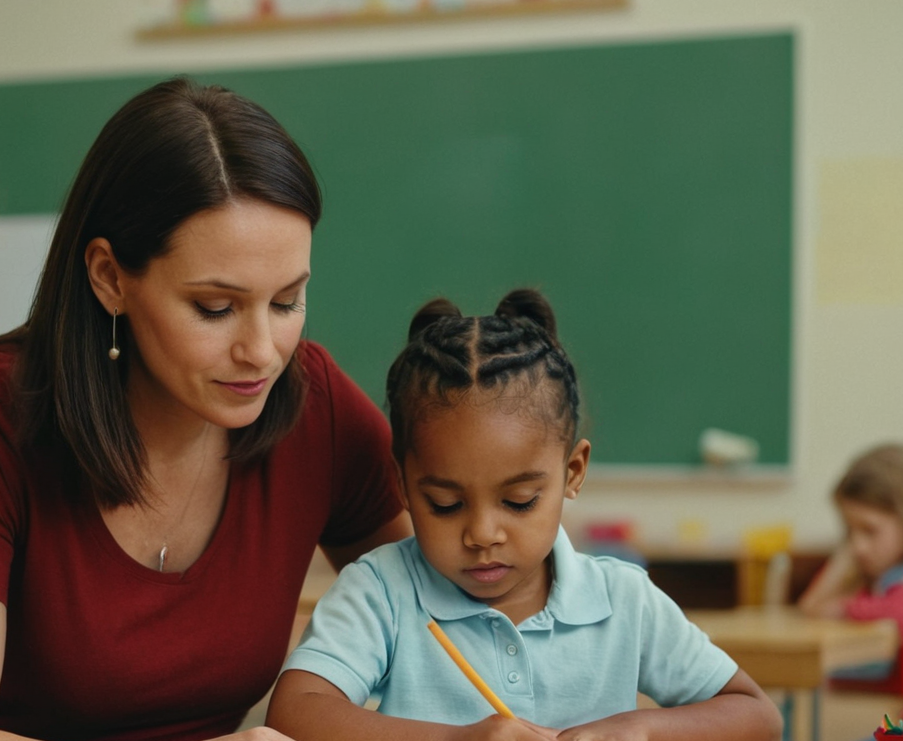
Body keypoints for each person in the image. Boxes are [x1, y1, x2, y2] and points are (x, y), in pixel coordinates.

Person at [0, 77, 411, 741]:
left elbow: (449, 612)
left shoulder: (314, 402)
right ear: (109, 277)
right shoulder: (9, 417)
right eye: (215, 308)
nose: (261, 353)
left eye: (286, 302)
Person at [266, 289, 783, 741]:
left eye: (519, 502)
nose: (483, 534)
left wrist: (641, 728)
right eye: (445, 504)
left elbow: (757, 716)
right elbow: (294, 716)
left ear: (573, 471)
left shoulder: (623, 602)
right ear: (401, 482)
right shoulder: (381, 591)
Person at [799, 444, 903, 693]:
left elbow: (898, 614)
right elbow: (811, 607)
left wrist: (844, 608)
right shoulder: (871, 577)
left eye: (869, 530)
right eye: (848, 530)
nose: (859, 547)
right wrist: (844, 556)